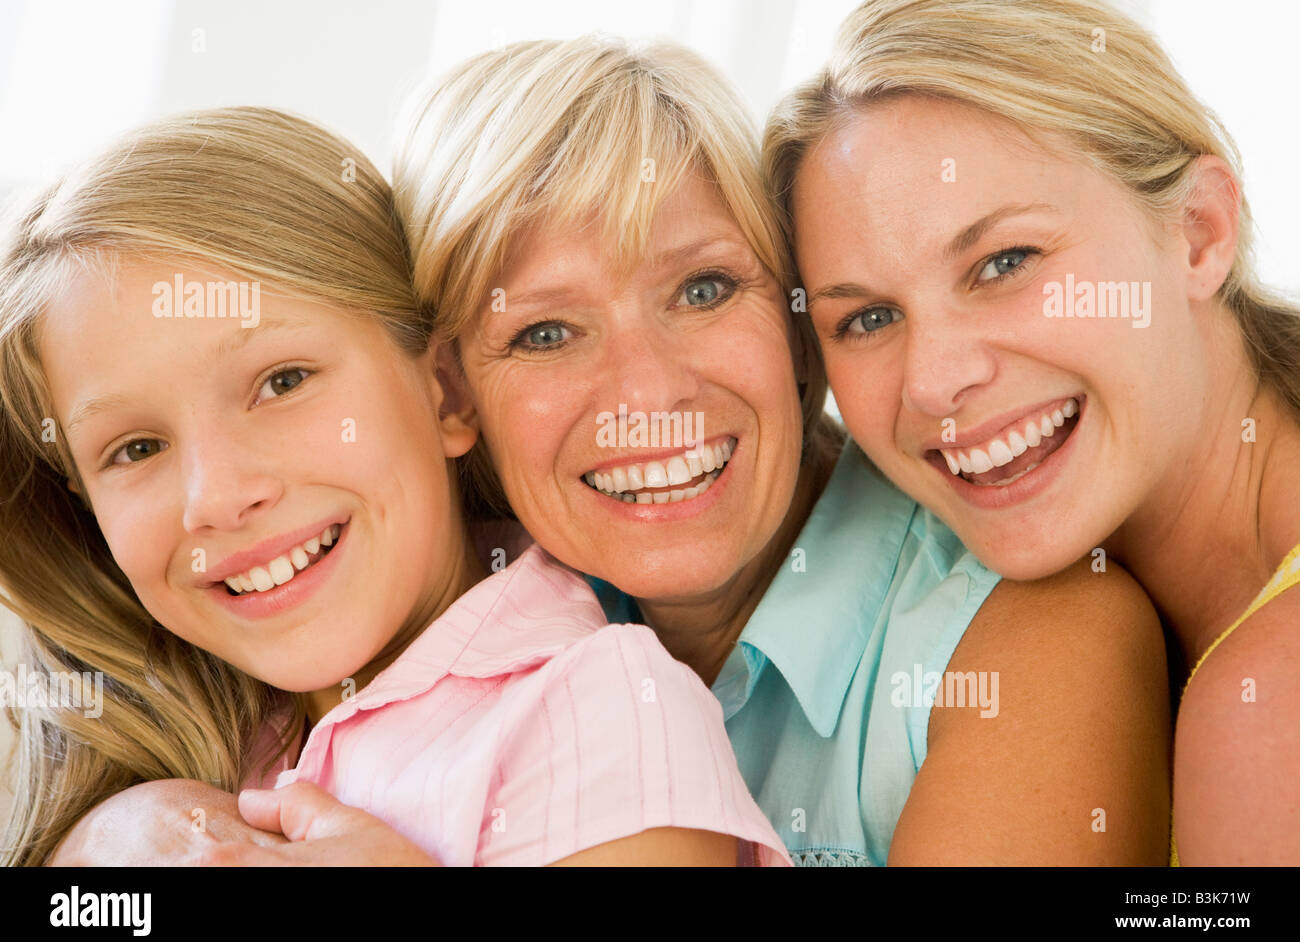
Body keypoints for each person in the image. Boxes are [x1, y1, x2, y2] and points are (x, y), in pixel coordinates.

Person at [47, 37, 1170, 867]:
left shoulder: (1028, 630)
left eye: (703, 286)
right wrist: (119, 833)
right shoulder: (407, 599)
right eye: (543, 331)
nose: (644, 395)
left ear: (796, 321)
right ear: (453, 392)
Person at [0, 106, 790, 867]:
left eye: (283, 381)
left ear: (445, 388)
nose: (215, 495)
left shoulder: (601, 709)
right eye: (136, 447)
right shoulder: (165, 741)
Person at [768, 0, 1300, 864]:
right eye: (867, 318)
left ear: (1199, 232)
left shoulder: (1272, 702)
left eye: (1004, 264)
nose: (936, 380)